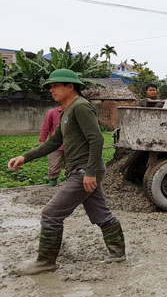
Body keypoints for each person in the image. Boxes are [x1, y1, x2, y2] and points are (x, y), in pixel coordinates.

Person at [7, 68, 126, 275]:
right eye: (50, 86)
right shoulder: (65, 111)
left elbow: (96, 139)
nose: (51, 90)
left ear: (70, 87)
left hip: (84, 171)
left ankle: (45, 262)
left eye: (55, 85)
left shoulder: (80, 107)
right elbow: (53, 142)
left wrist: (90, 172)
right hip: (82, 170)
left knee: (51, 214)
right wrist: (25, 157)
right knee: (100, 213)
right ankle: (118, 254)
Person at [39, 106, 64, 186]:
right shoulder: (52, 112)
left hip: (71, 145)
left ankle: (71, 185)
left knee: (72, 167)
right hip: (55, 145)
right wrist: (42, 142)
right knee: (54, 166)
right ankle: (52, 184)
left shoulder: (74, 111)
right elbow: (45, 128)